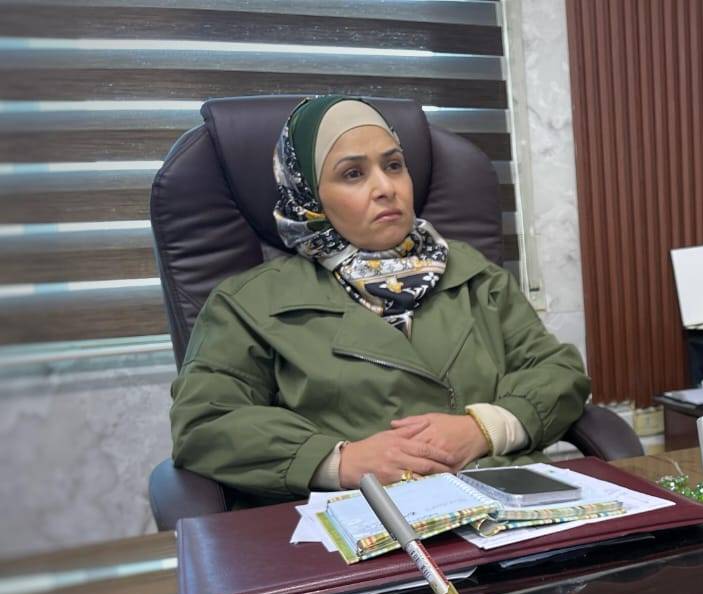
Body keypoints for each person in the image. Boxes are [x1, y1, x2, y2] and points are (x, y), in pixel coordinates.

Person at [169, 95, 589, 506]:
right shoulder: (248, 305)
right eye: (353, 174)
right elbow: (205, 422)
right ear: (309, 195)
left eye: (393, 166)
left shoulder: (476, 276)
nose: (386, 188)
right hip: (358, 518)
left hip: (504, 507)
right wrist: (339, 460)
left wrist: (484, 429)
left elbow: (558, 372)